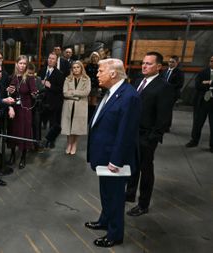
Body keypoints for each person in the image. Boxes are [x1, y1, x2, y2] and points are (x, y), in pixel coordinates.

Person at [86, 58, 140, 248]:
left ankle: (115, 234)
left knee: (116, 197)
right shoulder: (112, 92)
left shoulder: (128, 96)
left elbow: (126, 133)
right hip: (104, 156)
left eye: (100, 71)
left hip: (114, 160)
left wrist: (116, 161)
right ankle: (104, 220)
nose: (97, 74)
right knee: (106, 193)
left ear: (113, 73)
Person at [126, 52, 174, 216]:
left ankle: (143, 204)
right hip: (133, 132)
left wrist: (152, 137)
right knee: (132, 165)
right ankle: (129, 193)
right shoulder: (139, 81)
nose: (144, 66)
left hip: (147, 136)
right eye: (143, 63)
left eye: (149, 64)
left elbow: (164, 117)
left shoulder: (164, 87)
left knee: (146, 170)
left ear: (159, 67)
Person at [7, 55, 37, 169]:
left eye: (24, 64)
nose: (22, 66)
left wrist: (35, 93)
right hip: (14, 108)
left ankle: (23, 157)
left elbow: (34, 92)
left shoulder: (30, 78)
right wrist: (8, 91)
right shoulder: (12, 77)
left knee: (24, 132)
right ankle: (13, 155)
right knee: (13, 131)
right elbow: (8, 92)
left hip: (25, 109)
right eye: (20, 63)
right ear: (16, 64)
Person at [61, 60, 91, 155]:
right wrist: (77, 94)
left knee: (77, 127)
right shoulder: (67, 79)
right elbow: (65, 93)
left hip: (80, 106)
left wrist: (73, 92)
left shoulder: (87, 79)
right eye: (74, 67)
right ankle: (69, 144)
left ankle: (74, 144)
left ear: (81, 68)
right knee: (68, 127)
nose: (76, 69)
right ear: (72, 69)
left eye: (78, 67)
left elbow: (86, 92)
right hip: (69, 106)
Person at [185, 55, 213, 152]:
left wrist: (206, 83)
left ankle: (212, 146)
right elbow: (198, 85)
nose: (212, 63)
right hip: (202, 102)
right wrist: (208, 82)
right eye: (211, 61)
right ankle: (194, 140)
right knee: (198, 123)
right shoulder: (203, 72)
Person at [39, 52, 64, 149]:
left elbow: (60, 90)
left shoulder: (59, 74)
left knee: (53, 124)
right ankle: (39, 141)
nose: (50, 60)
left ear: (56, 61)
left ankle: (51, 141)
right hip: (42, 102)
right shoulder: (42, 70)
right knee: (39, 123)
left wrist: (50, 86)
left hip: (53, 102)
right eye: (49, 58)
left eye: (53, 59)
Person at [161, 55, 185, 132]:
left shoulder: (179, 72)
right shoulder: (165, 71)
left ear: (177, 63)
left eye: (172, 62)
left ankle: (167, 127)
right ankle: (161, 124)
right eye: (169, 61)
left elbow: (180, 84)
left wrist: (168, 86)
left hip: (172, 94)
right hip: (163, 93)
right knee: (162, 109)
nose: (170, 63)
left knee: (168, 110)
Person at [86, 51, 101, 120]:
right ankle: (87, 117)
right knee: (88, 103)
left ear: (98, 58)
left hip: (96, 86)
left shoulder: (99, 66)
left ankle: (92, 118)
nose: (94, 58)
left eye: (96, 57)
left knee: (93, 103)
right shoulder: (88, 66)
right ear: (91, 58)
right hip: (88, 86)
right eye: (93, 57)